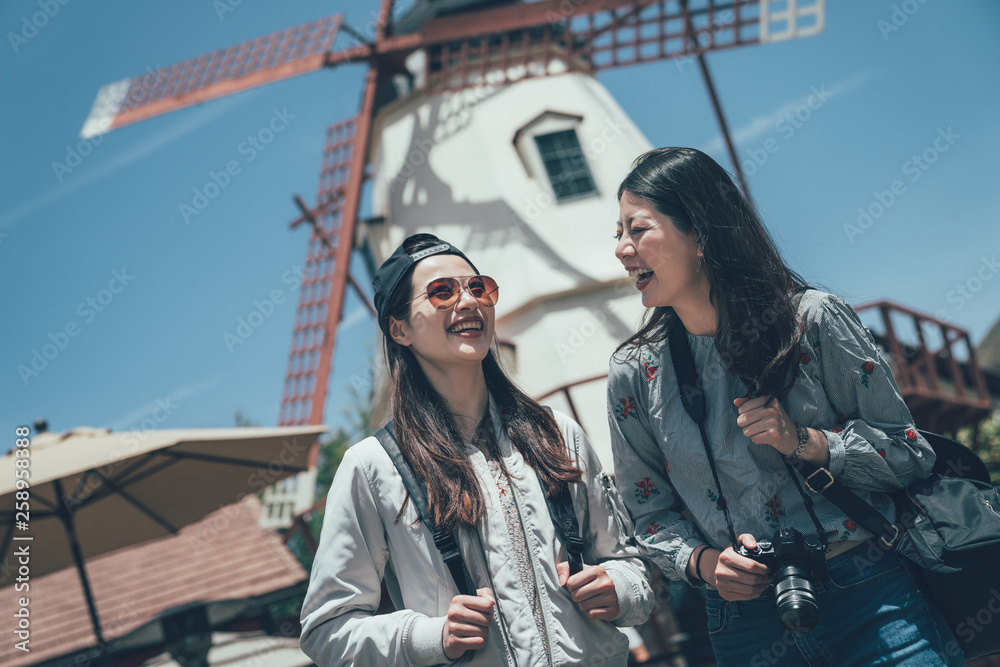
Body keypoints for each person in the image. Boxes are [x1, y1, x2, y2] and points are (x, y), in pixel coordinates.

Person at [607, 147, 962, 666]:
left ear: (701, 234)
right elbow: (647, 515)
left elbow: (910, 452)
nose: (621, 249)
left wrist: (808, 442)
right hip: (743, 625)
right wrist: (706, 564)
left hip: (873, 594)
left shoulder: (814, 321)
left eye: (637, 230)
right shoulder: (633, 374)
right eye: (617, 233)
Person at [300, 233, 654, 666]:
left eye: (478, 287)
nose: (469, 301)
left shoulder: (558, 433)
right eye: (442, 292)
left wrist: (618, 588)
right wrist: (430, 636)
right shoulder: (372, 467)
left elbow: (632, 567)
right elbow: (325, 631)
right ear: (400, 328)